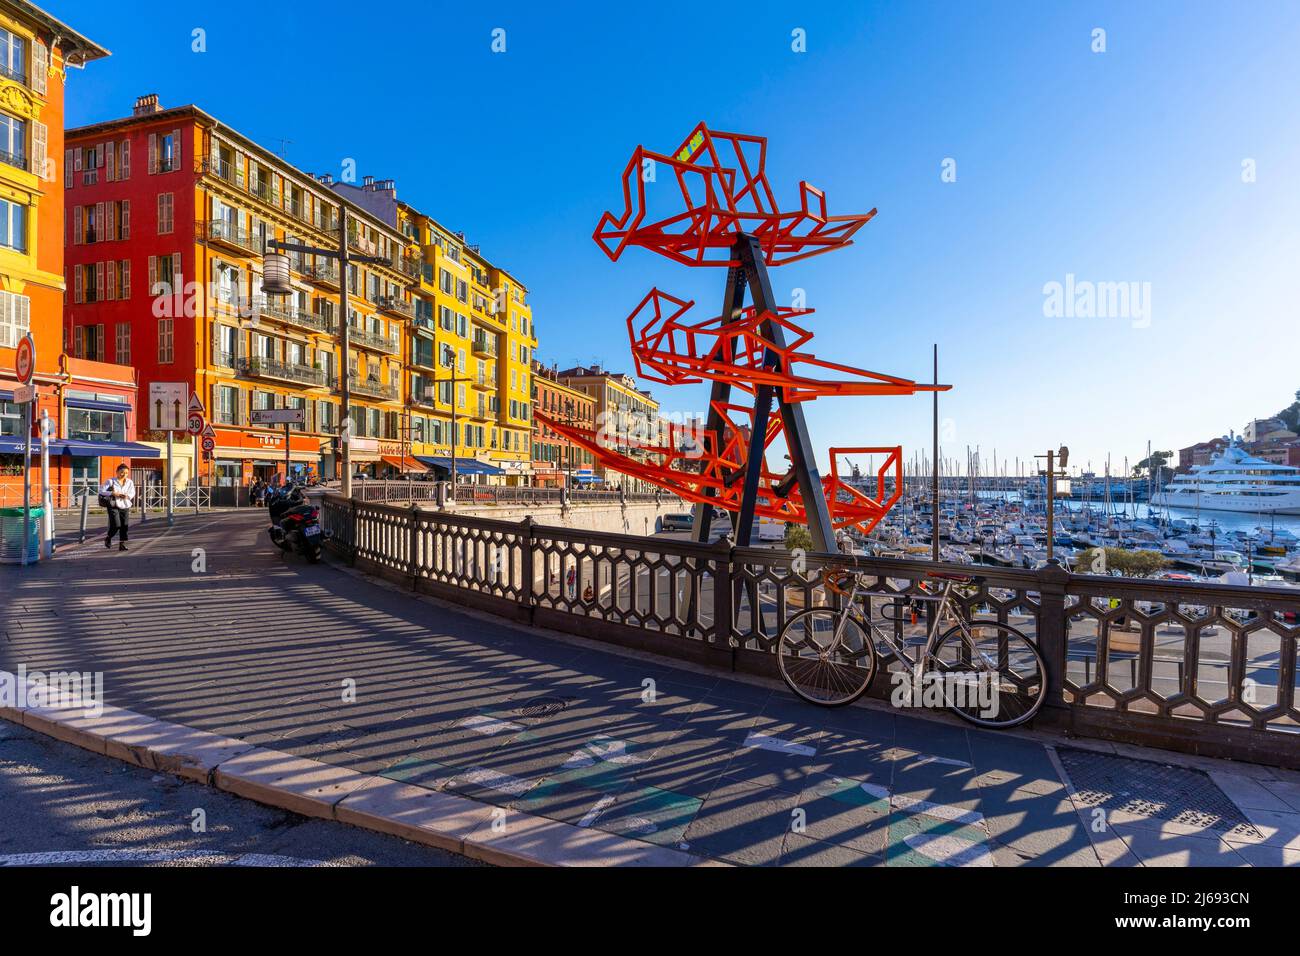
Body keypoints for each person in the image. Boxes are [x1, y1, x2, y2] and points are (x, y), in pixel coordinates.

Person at [101, 464, 135, 551]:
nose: (124, 474)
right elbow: (101, 491)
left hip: (125, 504)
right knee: (116, 525)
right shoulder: (110, 481)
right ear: (117, 472)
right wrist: (113, 493)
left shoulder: (129, 482)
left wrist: (127, 496)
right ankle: (108, 537)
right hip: (113, 505)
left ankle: (122, 544)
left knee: (124, 526)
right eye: (122, 472)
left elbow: (132, 492)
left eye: (126, 473)